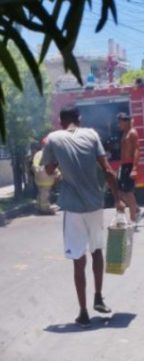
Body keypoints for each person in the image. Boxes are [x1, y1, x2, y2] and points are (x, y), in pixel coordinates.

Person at [41, 106, 125, 328]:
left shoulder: (53, 138)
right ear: (80, 119)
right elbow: (107, 170)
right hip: (95, 204)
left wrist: (60, 169)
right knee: (97, 251)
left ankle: (83, 312)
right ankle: (99, 297)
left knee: (78, 260)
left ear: (61, 121)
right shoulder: (92, 135)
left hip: (73, 208)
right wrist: (117, 200)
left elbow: (49, 170)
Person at [117, 112, 140, 226]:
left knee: (129, 193)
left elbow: (137, 150)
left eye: (121, 121)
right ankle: (136, 210)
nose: (119, 124)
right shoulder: (124, 133)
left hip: (130, 165)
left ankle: (133, 220)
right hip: (124, 165)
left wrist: (134, 168)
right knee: (120, 192)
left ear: (126, 121)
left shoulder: (132, 133)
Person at [32, 136, 60, 215]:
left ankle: (39, 207)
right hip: (46, 179)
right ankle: (44, 209)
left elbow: (35, 165)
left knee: (41, 194)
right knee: (45, 194)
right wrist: (58, 174)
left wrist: (37, 172)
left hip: (40, 179)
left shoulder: (39, 153)